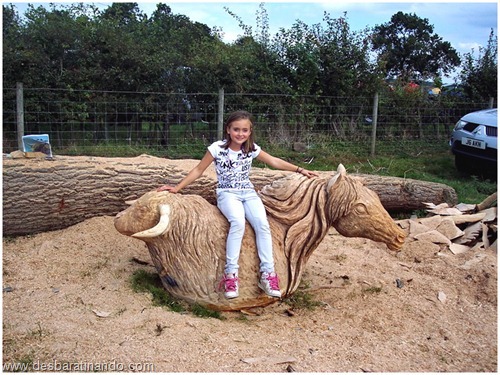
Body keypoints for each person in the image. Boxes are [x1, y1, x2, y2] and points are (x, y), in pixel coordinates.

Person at [157, 110, 318, 299]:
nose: (240, 134)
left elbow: (273, 161)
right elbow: (199, 170)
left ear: (250, 132)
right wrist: (177, 188)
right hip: (227, 194)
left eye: (244, 130)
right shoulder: (217, 148)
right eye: (236, 130)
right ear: (228, 130)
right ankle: (231, 275)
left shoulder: (251, 149)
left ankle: (268, 274)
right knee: (238, 223)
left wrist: (300, 169)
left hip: (248, 193)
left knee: (262, 225)